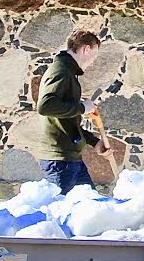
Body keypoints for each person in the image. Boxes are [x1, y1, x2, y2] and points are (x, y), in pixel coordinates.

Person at [33, 29, 110, 193]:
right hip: (59, 160)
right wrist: (82, 108)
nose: (93, 61)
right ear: (86, 49)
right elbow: (45, 106)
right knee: (59, 212)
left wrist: (94, 142)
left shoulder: (69, 72)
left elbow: (67, 120)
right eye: (94, 55)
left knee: (90, 205)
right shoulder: (60, 71)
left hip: (71, 159)